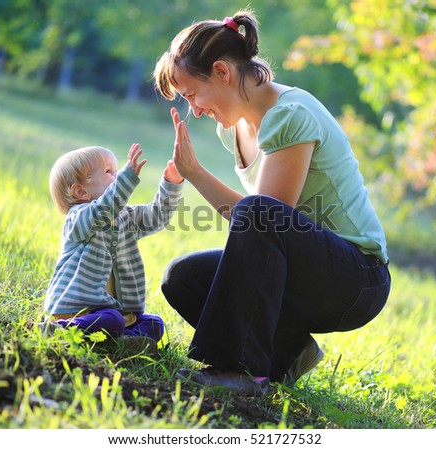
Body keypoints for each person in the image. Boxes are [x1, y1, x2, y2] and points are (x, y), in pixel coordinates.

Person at [153, 9, 391, 395]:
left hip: (357, 280)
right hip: (304, 268)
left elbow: (264, 219)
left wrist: (197, 173)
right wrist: (194, 174)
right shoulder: (232, 129)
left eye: (193, 94)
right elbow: (260, 235)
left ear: (222, 72)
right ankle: (289, 349)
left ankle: (241, 372)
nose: (194, 110)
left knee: (258, 211)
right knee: (183, 278)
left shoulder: (290, 115)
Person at [42, 143, 184, 352]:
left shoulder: (124, 217)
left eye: (117, 172)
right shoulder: (79, 219)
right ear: (80, 191)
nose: (118, 177)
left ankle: (122, 342)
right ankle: (60, 329)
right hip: (79, 311)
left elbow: (157, 216)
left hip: (114, 311)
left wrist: (172, 182)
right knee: (111, 320)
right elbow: (102, 210)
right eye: (109, 172)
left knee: (153, 323)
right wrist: (128, 177)